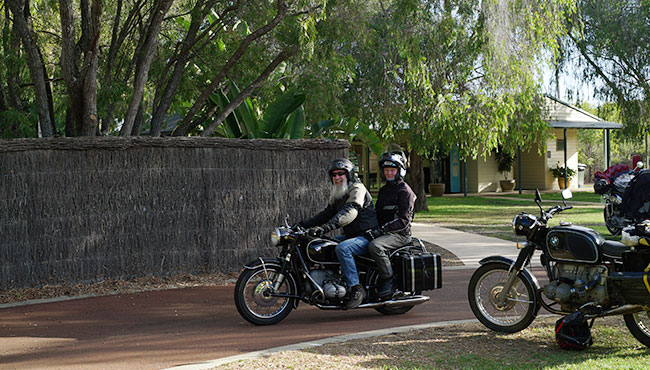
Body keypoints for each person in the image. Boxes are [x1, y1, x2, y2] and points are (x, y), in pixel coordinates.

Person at [299, 158, 378, 308]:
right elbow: (326, 213)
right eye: (334, 175)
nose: (337, 177)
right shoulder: (338, 192)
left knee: (343, 248)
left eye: (340, 174)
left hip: (366, 236)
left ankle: (356, 289)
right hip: (352, 236)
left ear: (349, 175)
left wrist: (326, 228)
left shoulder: (357, 188)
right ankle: (334, 280)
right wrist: (302, 224)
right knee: (324, 245)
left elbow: (350, 212)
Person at [366, 150, 416, 299]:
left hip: (399, 235)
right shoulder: (384, 190)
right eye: (386, 170)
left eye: (392, 170)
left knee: (375, 246)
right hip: (384, 232)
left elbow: (403, 221)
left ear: (399, 171)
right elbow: (378, 213)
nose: (388, 173)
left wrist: (381, 230)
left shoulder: (405, 192)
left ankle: (388, 279)